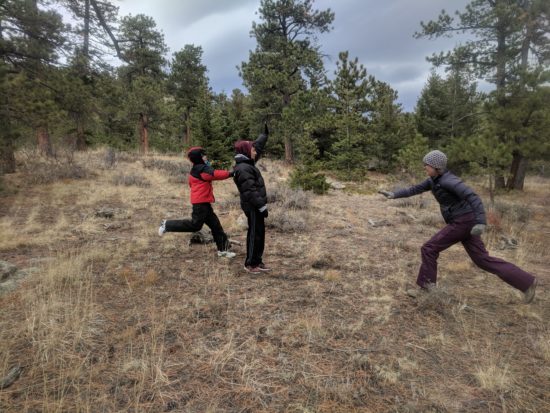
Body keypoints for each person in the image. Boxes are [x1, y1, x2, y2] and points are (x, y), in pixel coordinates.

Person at [379, 150, 538, 303]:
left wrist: (481, 222)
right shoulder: (434, 180)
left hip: (463, 221)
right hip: (463, 221)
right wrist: (394, 195)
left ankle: (426, 290)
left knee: (429, 248)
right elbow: (414, 189)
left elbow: (473, 197)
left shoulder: (450, 181)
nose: (424, 167)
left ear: (437, 167)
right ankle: (527, 282)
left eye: (427, 164)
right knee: (482, 260)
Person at [158, 147, 236, 258]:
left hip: (203, 203)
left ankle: (223, 250)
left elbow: (192, 184)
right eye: (203, 155)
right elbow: (215, 174)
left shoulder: (196, 168)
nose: (206, 157)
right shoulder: (202, 169)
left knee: (216, 226)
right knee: (195, 225)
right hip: (200, 204)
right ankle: (166, 224)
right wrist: (231, 174)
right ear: (199, 158)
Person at [233, 122, 270, 274]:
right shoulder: (243, 168)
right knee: (254, 233)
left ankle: (257, 260)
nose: (255, 152)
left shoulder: (247, 162)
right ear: (247, 151)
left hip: (256, 205)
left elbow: (257, 147)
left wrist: (265, 135)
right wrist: (261, 205)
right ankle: (250, 263)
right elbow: (250, 191)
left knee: (260, 233)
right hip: (253, 206)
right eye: (253, 149)